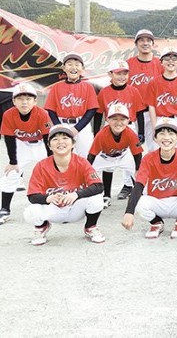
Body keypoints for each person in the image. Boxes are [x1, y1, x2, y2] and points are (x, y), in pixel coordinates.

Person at [121, 118, 177, 238]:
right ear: (155, 138)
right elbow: (139, 185)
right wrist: (129, 212)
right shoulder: (148, 158)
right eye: (161, 133)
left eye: (171, 133)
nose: (166, 137)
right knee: (140, 203)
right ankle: (156, 223)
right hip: (157, 201)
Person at [23, 124, 105, 246]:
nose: (60, 142)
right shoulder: (41, 166)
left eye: (65, 138)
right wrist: (48, 198)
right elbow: (32, 196)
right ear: (49, 145)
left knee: (97, 199)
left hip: (75, 208)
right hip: (54, 209)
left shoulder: (81, 162)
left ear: (73, 144)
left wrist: (76, 194)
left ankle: (90, 227)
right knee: (30, 212)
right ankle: (41, 227)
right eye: (55, 139)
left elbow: (98, 186)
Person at [0, 83, 52, 224]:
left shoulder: (42, 113)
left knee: (51, 173)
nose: (24, 102)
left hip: (41, 145)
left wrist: (51, 159)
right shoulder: (8, 114)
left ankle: (54, 206)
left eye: (28, 99)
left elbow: (47, 138)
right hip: (21, 145)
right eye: (20, 99)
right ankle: (4, 209)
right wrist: (13, 162)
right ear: (13, 101)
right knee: (11, 174)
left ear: (35, 101)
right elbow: (9, 138)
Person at [93, 59, 145, 200]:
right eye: (118, 73)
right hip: (110, 127)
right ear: (110, 74)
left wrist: (141, 132)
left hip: (129, 126)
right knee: (108, 158)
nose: (122, 77)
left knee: (132, 159)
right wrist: (96, 133)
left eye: (125, 73)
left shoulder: (133, 91)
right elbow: (98, 114)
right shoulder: (104, 92)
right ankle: (107, 194)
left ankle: (131, 187)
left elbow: (140, 112)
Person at [87, 103, 143, 208]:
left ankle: (141, 197)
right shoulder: (101, 135)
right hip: (104, 157)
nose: (118, 122)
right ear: (107, 120)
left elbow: (137, 154)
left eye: (122, 119)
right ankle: (104, 196)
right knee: (89, 176)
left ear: (128, 120)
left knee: (140, 175)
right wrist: (87, 172)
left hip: (123, 155)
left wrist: (137, 170)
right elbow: (91, 155)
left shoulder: (130, 133)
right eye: (114, 119)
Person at [44, 52, 98, 158]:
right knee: (61, 156)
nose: (74, 67)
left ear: (82, 68)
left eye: (77, 65)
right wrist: (59, 126)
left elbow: (91, 110)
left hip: (82, 125)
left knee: (87, 156)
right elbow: (51, 110)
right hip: (61, 123)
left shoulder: (88, 87)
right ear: (64, 68)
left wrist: (77, 128)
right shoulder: (56, 87)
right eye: (69, 64)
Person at [126, 29, 163, 151]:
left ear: (153, 44)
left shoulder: (160, 64)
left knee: (155, 148)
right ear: (136, 44)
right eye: (141, 40)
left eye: (148, 40)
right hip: (132, 113)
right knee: (132, 150)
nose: (145, 43)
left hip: (153, 112)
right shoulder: (128, 64)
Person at [147, 47, 177, 138]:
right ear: (161, 62)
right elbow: (151, 107)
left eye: (174, 59)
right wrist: (155, 127)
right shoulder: (154, 83)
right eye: (167, 58)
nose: (170, 61)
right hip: (160, 120)